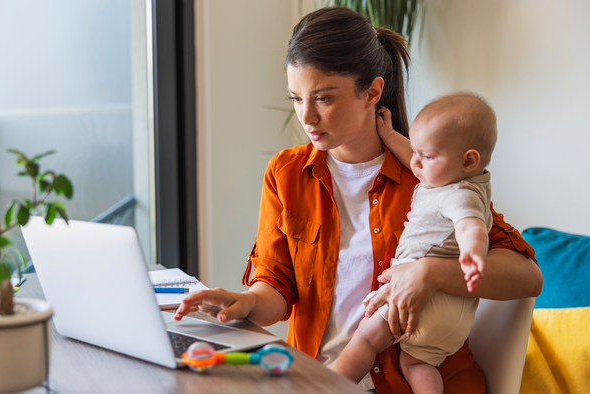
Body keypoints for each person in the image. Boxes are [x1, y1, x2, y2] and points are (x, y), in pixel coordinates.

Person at [173, 7, 542, 394]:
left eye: (323, 98)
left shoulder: (430, 177)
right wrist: (246, 302)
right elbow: (277, 290)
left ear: (373, 91)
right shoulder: (286, 174)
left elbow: (528, 276)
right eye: (297, 98)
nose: (307, 116)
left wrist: (428, 273)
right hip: (318, 382)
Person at [333, 92, 498, 393]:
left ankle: (325, 386)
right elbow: (415, 153)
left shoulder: (458, 194)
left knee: (366, 338)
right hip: (451, 318)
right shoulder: (453, 175)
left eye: (428, 156)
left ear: (468, 159)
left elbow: (469, 224)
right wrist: (389, 134)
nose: (416, 162)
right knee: (417, 363)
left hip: (427, 303)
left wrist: (474, 249)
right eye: (416, 152)